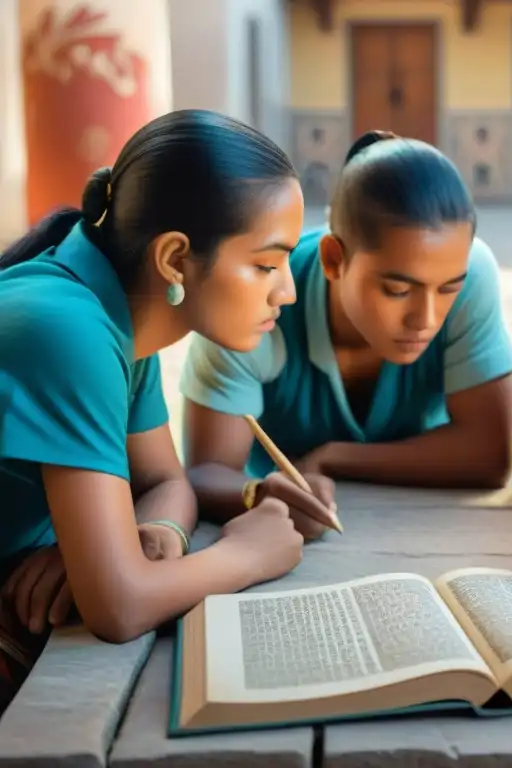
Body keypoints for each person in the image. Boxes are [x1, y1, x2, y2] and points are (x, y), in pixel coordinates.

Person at [0, 109, 322, 712]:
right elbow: (119, 606)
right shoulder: (70, 329)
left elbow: (165, 481)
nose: (288, 291)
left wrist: (153, 533)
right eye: (265, 265)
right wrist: (246, 555)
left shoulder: (118, 316)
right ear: (174, 259)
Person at [180, 130, 512, 536]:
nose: (426, 317)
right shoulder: (258, 303)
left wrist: (334, 457)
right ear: (334, 259)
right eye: (397, 290)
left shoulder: (473, 273)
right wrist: (261, 493)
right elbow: (205, 471)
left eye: (449, 289)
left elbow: (488, 458)